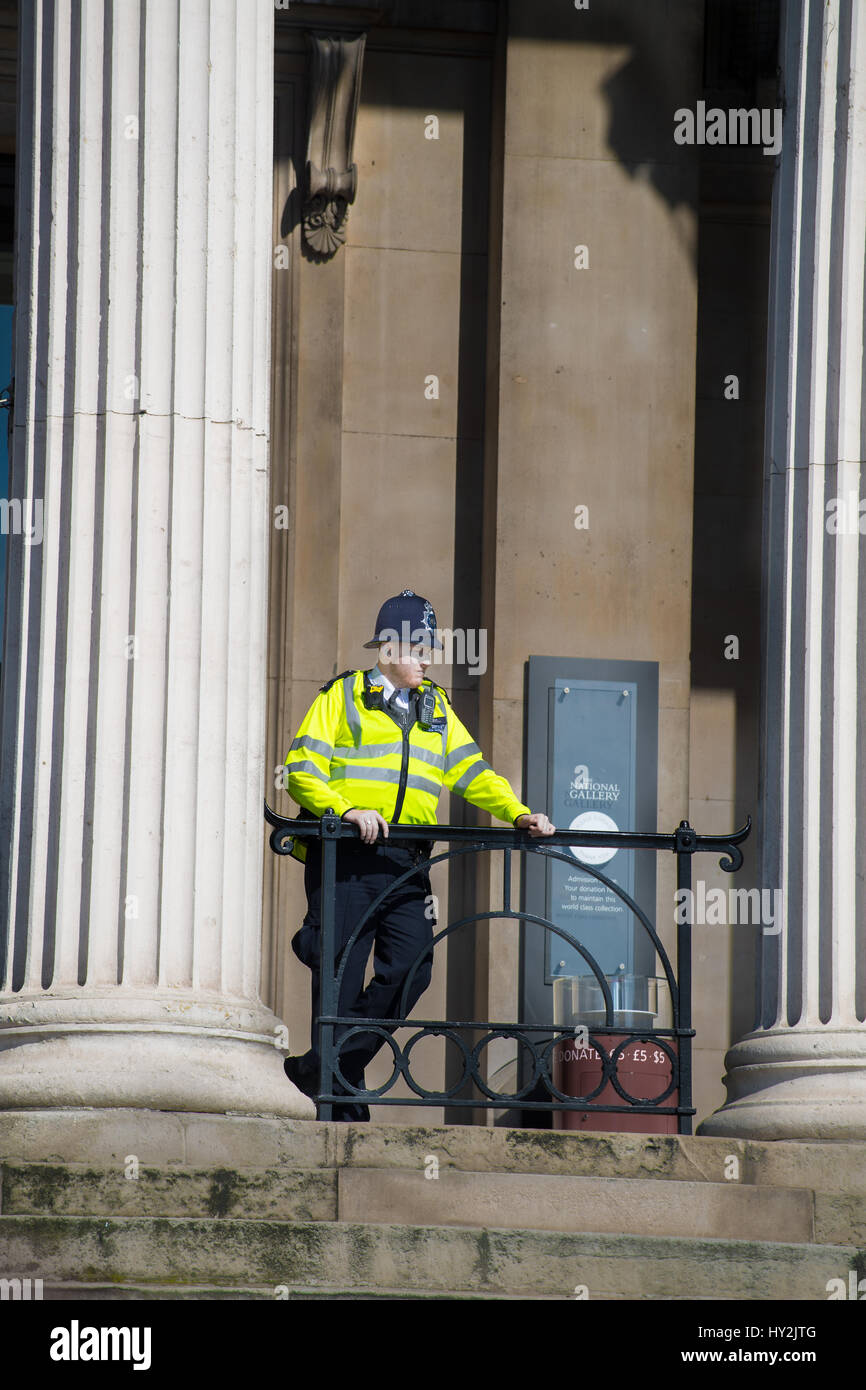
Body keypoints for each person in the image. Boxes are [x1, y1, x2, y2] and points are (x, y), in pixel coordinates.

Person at [282, 589, 555, 1120]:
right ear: (387, 648)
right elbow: (301, 772)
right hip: (347, 856)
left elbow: (472, 773)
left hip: (407, 864)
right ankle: (340, 1103)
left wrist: (519, 813)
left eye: (431, 647)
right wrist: (347, 811)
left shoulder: (436, 706)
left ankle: (320, 1069)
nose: (428, 657)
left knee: (411, 969)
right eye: (418, 647)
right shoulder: (341, 696)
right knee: (339, 980)